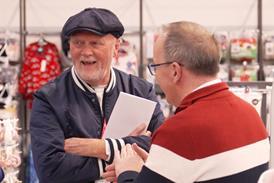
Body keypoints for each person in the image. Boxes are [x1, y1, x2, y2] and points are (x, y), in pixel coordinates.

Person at [111, 21, 270, 183]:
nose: (156, 76)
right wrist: (156, 168)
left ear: (175, 71)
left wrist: (127, 172)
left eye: (156, 67)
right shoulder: (251, 113)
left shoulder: (178, 131)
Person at [30, 7, 164, 183]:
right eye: (78, 43)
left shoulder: (140, 91)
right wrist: (124, 158)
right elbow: (51, 170)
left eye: (95, 43)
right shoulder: (49, 98)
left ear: (116, 48)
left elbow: (162, 148)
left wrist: (101, 147)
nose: (86, 52)